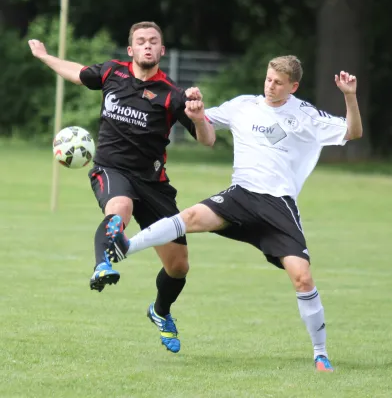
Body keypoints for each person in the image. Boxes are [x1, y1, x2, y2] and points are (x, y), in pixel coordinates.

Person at [105, 55, 363, 370]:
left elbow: (352, 132)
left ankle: (320, 353)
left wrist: (349, 97)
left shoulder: (304, 114)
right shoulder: (243, 106)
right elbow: (200, 121)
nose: (271, 86)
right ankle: (125, 246)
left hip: (278, 205)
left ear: (293, 86)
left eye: (279, 83)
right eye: (269, 79)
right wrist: (197, 114)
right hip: (241, 194)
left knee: (303, 277)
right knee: (190, 218)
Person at [28, 21, 215, 354]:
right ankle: (103, 264)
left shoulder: (173, 95)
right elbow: (77, 72)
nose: (146, 46)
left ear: (161, 51)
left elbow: (209, 140)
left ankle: (160, 311)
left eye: (153, 41)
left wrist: (199, 119)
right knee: (120, 208)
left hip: (154, 184)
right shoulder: (112, 73)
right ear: (130, 50)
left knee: (178, 266)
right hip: (111, 169)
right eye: (140, 41)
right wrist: (44, 56)